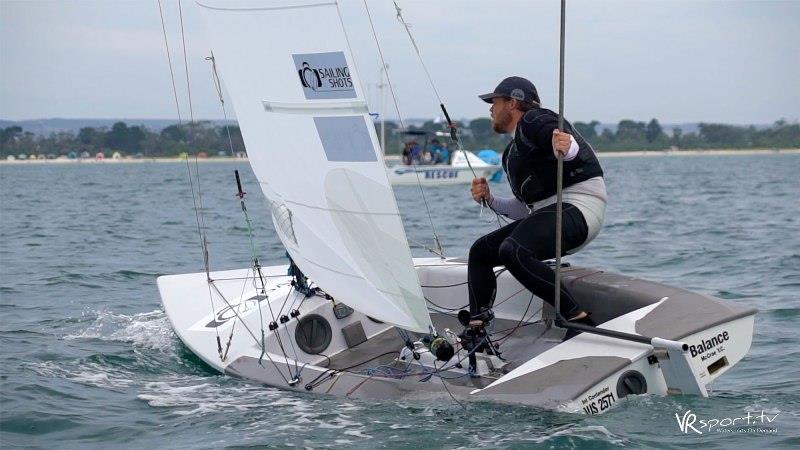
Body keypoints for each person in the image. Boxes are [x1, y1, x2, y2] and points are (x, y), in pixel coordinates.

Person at [468, 76, 607, 340]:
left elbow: (563, 139)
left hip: (579, 207)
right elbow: (526, 210)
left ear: (512, 102)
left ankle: (580, 320)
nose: (490, 109)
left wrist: (568, 148)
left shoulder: (534, 120)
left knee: (513, 249)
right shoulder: (511, 153)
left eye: (494, 102)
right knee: (481, 252)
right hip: (551, 214)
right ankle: (477, 329)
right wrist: (491, 200)